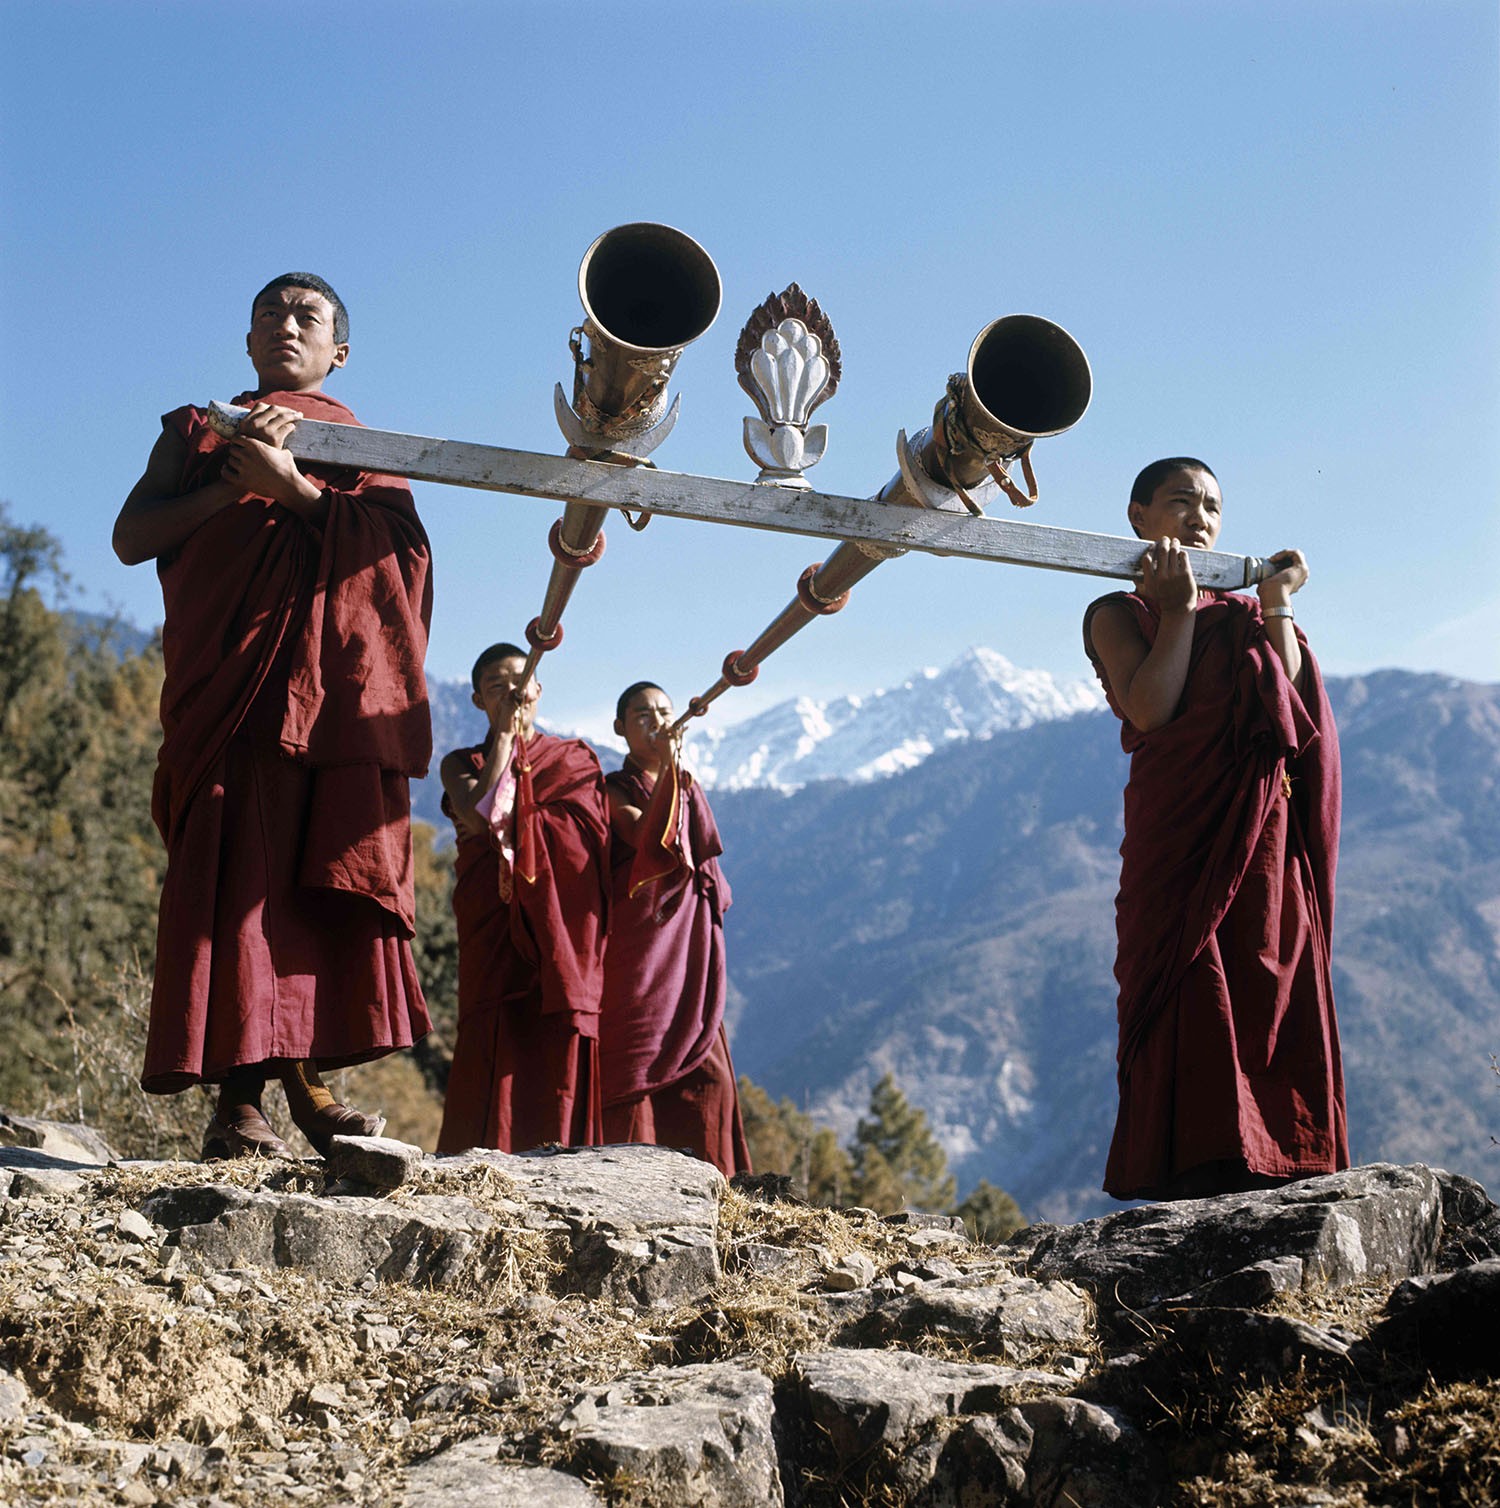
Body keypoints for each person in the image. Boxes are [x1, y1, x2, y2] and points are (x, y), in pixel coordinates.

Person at [113, 273, 434, 1158]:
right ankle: (238, 1103)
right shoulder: (196, 430)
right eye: (270, 315)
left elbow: (401, 558)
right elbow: (133, 536)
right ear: (248, 342)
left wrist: (296, 489)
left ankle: (310, 1089)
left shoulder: (358, 442)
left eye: (308, 317)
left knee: (299, 882)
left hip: (319, 704)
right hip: (225, 697)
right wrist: (231, 486)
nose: (286, 326)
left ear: (338, 351)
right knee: (232, 883)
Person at [1082, 457, 1346, 1201]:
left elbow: (1293, 708)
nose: (1199, 518)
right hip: (1180, 847)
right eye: (1181, 501)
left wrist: (1276, 605)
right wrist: (1177, 611)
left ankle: (1287, 1163)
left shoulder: (1241, 616)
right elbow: (1151, 708)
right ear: (1139, 516)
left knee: (1272, 990)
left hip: (1265, 845)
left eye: (1212, 507)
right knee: (1195, 997)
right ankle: (1194, 1179)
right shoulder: (1115, 613)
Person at [436, 644, 610, 1153]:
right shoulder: (460, 763)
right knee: (493, 1036)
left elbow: (590, 849)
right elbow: (477, 813)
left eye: (522, 680)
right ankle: (478, 1165)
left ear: (538, 688)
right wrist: (507, 740)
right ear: (476, 700)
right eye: (497, 686)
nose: (513, 691)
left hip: (565, 933)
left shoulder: (575, 761)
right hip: (494, 931)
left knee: (558, 1046)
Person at [599, 683, 750, 1177]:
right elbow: (648, 840)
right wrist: (671, 773)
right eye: (642, 714)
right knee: (639, 1069)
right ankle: (630, 1189)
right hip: (642, 957)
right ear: (620, 728)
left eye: (664, 711)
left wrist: (675, 773)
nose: (657, 720)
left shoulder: (684, 785)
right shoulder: (613, 788)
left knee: (711, 1080)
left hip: (688, 958)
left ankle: (715, 1193)